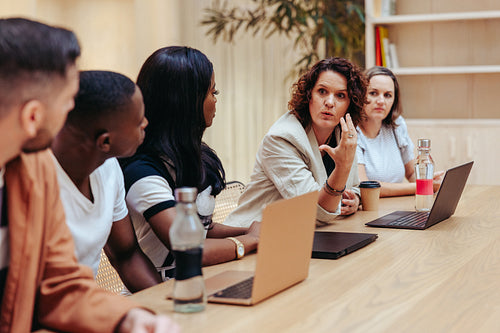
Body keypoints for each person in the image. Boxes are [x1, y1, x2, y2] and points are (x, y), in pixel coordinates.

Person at [0, 18, 178, 332]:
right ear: (32, 117)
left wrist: (125, 317)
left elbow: (60, 283)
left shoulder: (34, 169)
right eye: (67, 103)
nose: (69, 119)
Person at [120, 46, 259, 275]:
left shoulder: (191, 155)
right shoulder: (143, 172)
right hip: (163, 292)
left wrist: (249, 232)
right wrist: (249, 241)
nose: (215, 101)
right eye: (212, 93)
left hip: (203, 279)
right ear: (186, 101)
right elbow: (189, 248)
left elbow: (204, 229)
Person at [51, 70, 162, 292]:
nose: (146, 124)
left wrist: (165, 304)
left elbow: (126, 255)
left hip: (84, 307)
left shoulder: (109, 168)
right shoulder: (38, 180)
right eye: (138, 120)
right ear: (105, 141)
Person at [224, 57, 366, 228]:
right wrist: (343, 166)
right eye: (322, 91)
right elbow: (314, 212)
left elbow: (354, 186)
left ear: (350, 104)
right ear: (309, 95)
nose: (329, 102)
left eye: (340, 95)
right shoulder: (281, 139)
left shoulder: (341, 133)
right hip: (253, 239)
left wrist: (354, 200)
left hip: (305, 234)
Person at [356, 66, 443, 198]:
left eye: (387, 95)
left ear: (394, 101)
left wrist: (428, 180)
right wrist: (420, 186)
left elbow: (411, 173)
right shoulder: (352, 131)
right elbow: (364, 186)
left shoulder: (397, 125)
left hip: (398, 206)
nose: (381, 101)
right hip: (369, 210)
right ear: (361, 94)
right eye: (373, 93)